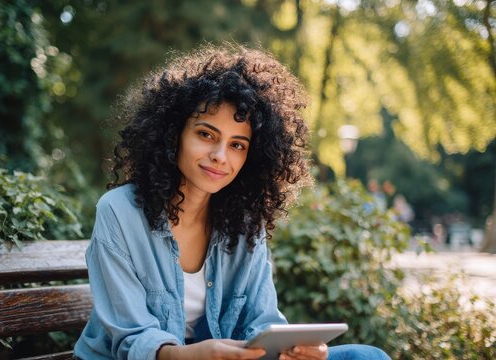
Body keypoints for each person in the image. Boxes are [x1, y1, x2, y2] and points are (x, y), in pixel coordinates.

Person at [74, 44, 391, 360]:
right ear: (174, 134)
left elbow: (261, 321)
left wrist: (288, 350)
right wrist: (191, 355)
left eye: (237, 145)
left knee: (366, 357)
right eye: (206, 135)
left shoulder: (245, 223)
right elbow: (130, 339)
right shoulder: (120, 211)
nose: (220, 156)